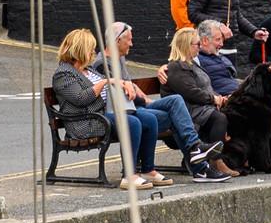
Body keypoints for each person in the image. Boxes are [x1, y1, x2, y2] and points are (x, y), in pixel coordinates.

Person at [50, 28, 227, 187]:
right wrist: (106, 82)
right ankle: (130, 175)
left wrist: (126, 85)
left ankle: (150, 169)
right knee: (133, 122)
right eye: (90, 48)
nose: (93, 52)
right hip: (87, 122)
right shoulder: (64, 74)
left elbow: (113, 87)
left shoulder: (89, 70)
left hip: (108, 113)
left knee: (149, 118)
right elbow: (81, 99)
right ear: (79, 49)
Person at [158, 27, 237, 175]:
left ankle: (227, 158)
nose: (199, 47)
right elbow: (190, 92)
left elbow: (206, 87)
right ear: (186, 45)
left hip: (199, 107)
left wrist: (219, 98)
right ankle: (215, 161)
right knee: (218, 118)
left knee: (230, 113)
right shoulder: (176, 67)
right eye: (197, 44)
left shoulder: (191, 63)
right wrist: (213, 99)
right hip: (187, 110)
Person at [195, 20, 241, 96]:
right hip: (228, 98)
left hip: (238, 94)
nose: (222, 44)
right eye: (218, 39)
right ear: (205, 40)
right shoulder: (196, 60)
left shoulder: (220, 57)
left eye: (222, 39)